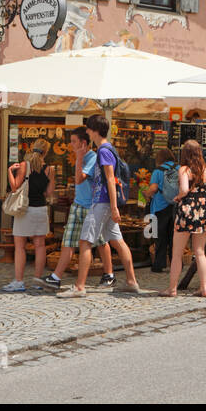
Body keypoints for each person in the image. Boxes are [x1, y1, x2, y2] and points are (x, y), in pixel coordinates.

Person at [57, 115, 142, 298]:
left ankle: (79, 287)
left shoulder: (103, 150)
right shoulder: (107, 148)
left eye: (88, 128)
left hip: (102, 203)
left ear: (94, 130)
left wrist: (113, 207)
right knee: (118, 242)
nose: (86, 131)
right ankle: (131, 282)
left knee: (85, 242)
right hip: (105, 204)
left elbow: (110, 179)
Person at [42, 127, 113, 289]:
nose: (71, 144)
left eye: (74, 141)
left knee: (101, 242)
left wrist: (79, 158)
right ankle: (56, 277)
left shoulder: (92, 157)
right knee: (68, 241)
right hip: (78, 204)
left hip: (92, 207)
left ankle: (109, 274)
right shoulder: (81, 157)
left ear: (83, 143)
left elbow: (80, 179)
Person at [161, 140, 206, 298]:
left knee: (177, 253)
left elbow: (185, 189)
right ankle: (203, 288)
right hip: (204, 210)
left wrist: (178, 197)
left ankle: (172, 289)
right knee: (200, 252)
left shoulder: (184, 169)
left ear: (184, 153)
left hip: (187, 211)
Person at [3, 148, 53, 292]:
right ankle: (37, 281)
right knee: (40, 245)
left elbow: (14, 187)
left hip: (25, 210)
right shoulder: (50, 169)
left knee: (20, 246)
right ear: (45, 153)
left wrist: (9, 171)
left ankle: (19, 281)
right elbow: (49, 192)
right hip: (41, 210)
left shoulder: (25, 166)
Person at [147, 148, 179, 272]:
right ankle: (175, 264)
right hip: (176, 206)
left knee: (159, 237)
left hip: (159, 207)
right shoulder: (179, 168)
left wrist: (146, 194)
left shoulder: (158, 171)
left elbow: (154, 188)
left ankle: (159, 264)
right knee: (174, 238)